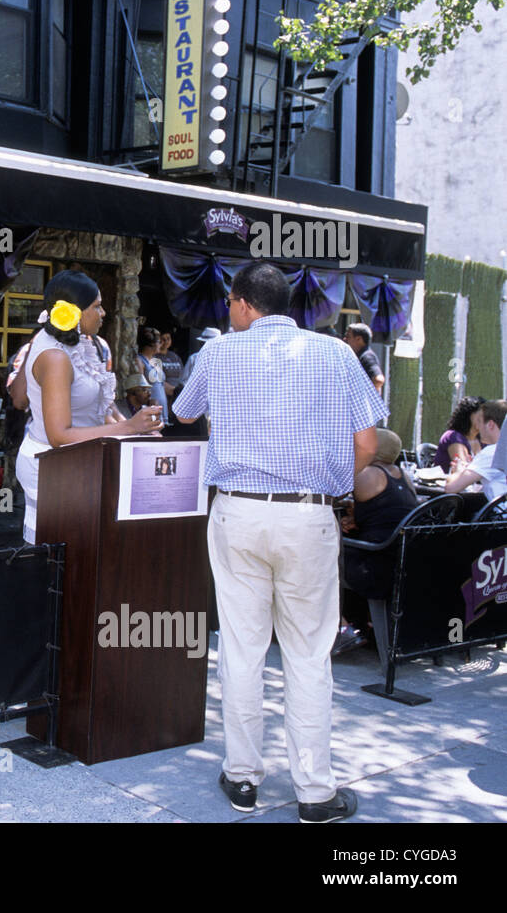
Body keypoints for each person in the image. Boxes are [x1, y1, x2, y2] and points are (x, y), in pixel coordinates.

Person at [173, 261, 385, 824]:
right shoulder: (337, 352)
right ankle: (315, 792)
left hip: (237, 511)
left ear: (242, 304)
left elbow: (183, 410)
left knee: (242, 648)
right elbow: (369, 441)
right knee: (309, 655)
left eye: (229, 304)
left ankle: (242, 777)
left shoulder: (217, 353)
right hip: (308, 514)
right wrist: (334, 484)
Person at [9, 271, 161, 543]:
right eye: (96, 306)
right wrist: (128, 427)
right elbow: (59, 436)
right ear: (73, 312)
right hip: (52, 467)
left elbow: (99, 407)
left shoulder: (82, 345)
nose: (103, 313)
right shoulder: (55, 356)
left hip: (76, 464)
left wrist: (139, 429)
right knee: (57, 555)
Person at [338, 428, 420, 650]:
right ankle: (361, 623)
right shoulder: (403, 476)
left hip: (375, 565)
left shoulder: (367, 474)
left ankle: (341, 628)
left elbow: (331, 494)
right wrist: (354, 513)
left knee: (319, 555)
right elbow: (383, 510)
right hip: (402, 563)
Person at [444, 398, 507, 501]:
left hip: (500, 516)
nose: (477, 427)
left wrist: (459, 470)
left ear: (490, 424)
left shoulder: (491, 452)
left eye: (480, 421)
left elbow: (450, 488)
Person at [432, 395, 485, 472]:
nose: (485, 419)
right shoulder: (453, 437)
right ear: (468, 414)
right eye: (481, 414)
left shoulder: (482, 439)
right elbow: (462, 470)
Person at [134, 327, 169, 414]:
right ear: (151, 344)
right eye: (159, 342)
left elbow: (161, 384)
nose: (161, 345)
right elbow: (140, 386)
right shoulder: (140, 361)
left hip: (162, 409)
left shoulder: (155, 361)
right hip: (151, 408)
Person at [344, 322, 385, 395]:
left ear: (358, 339)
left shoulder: (367, 357)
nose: (345, 339)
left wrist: (362, 397)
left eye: (348, 336)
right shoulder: (358, 355)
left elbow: (378, 380)